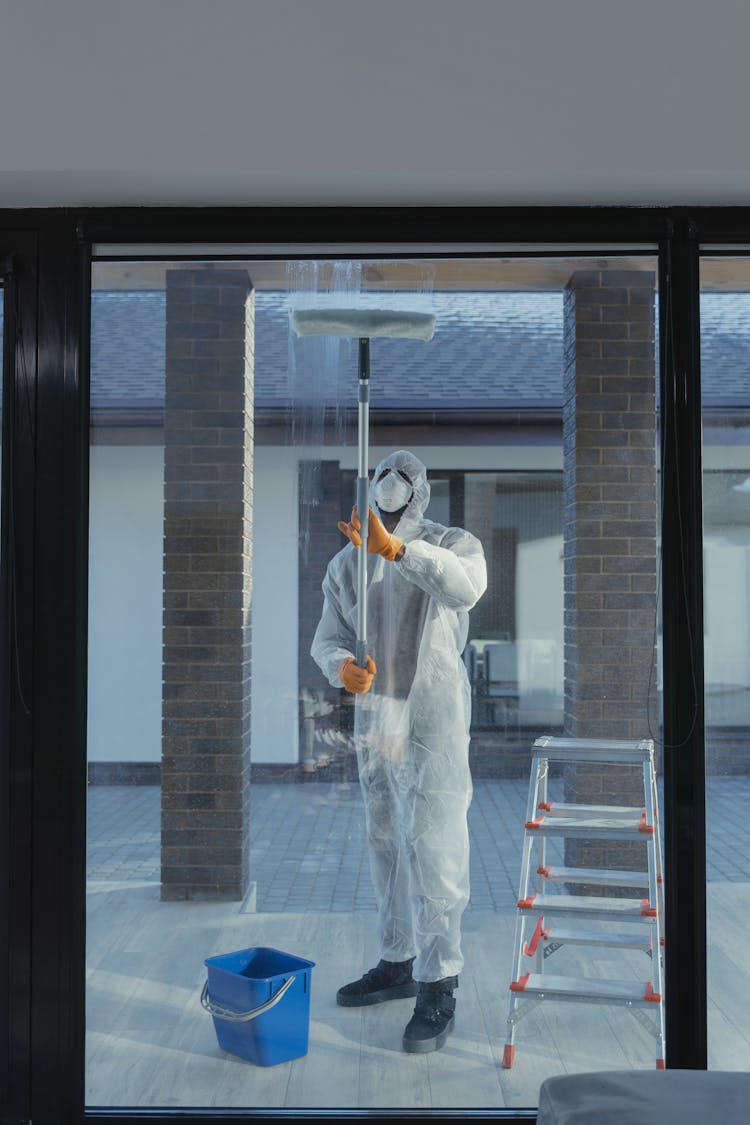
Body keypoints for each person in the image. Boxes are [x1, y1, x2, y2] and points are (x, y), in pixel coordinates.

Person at [311, 449, 487, 1053]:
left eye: (403, 477)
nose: (392, 485)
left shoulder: (453, 542)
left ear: (422, 490)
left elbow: (465, 589)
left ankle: (439, 980)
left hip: (434, 711)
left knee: (436, 840)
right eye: (383, 476)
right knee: (385, 837)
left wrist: (398, 550)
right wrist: (341, 669)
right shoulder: (345, 562)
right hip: (377, 715)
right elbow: (326, 638)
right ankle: (397, 960)